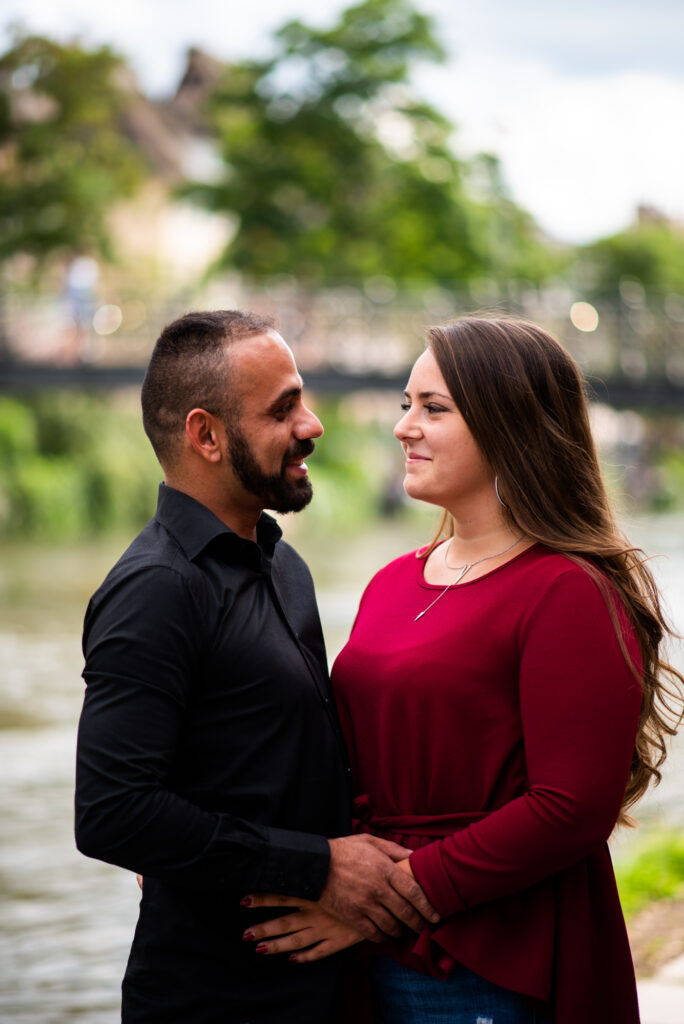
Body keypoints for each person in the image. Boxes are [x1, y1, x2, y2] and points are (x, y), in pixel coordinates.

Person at [241, 315, 683, 1024]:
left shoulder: (568, 590)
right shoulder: (393, 580)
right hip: (370, 950)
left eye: (433, 409)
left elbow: (571, 808)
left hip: (489, 954)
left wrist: (387, 900)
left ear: (511, 426)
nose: (404, 428)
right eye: (405, 405)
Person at [74, 309, 438, 1024]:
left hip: (322, 985)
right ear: (205, 436)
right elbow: (112, 812)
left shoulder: (283, 563)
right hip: (213, 998)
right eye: (283, 409)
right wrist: (320, 867)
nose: (312, 424)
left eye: (301, 398)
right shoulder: (155, 588)